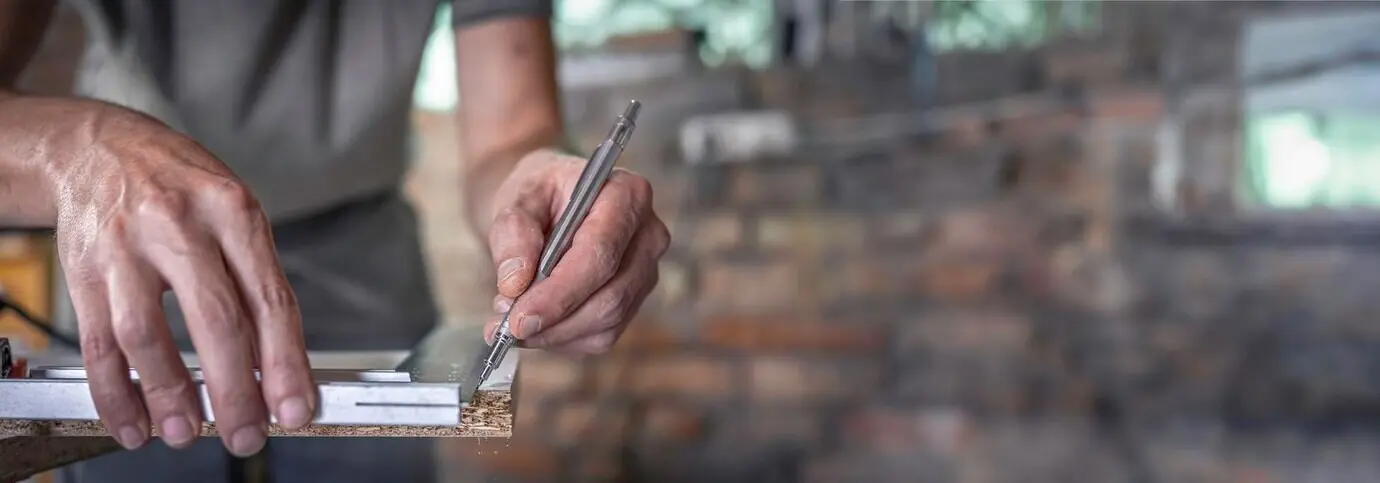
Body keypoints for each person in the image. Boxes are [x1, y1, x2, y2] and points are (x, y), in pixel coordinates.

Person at [0, 0, 669, 481]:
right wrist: (82, 152)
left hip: (362, 261)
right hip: (142, 264)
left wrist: (536, 183)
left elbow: (510, 135)